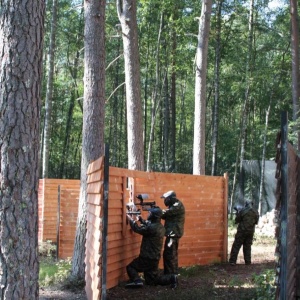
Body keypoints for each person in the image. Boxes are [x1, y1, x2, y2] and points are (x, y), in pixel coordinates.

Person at [126, 207, 178, 289]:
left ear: (154, 216)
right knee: (152, 280)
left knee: (131, 267)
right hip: (154, 257)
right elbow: (149, 225)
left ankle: (137, 281)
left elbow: (137, 229)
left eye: (150, 214)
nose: (148, 215)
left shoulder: (152, 228)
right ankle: (171, 278)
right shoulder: (160, 227)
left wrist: (130, 219)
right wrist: (140, 219)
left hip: (146, 257)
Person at [161, 191, 185, 275]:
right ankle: (172, 274)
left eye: (166, 199)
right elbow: (164, 215)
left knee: (169, 254)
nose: (165, 201)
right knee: (170, 254)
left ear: (171, 198)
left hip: (173, 234)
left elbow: (165, 213)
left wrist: (155, 210)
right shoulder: (173, 206)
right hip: (172, 234)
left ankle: (171, 275)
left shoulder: (177, 206)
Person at [229, 200, 259, 265]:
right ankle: (248, 262)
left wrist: (238, 213)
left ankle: (232, 261)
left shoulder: (243, 211)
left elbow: (237, 220)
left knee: (236, 245)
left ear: (246, 204)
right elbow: (256, 222)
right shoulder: (256, 212)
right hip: (250, 231)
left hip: (242, 231)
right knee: (247, 246)